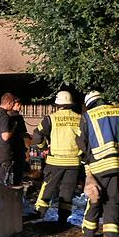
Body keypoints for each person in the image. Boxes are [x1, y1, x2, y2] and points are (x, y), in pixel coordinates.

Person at [77, 91, 119, 237]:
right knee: (113, 202)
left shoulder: (88, 116)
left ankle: (89, 235)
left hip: (99, 165)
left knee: (95, 198)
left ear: (89, 104)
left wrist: (87, 161)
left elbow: (81, 142)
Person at [31, 91, 82, 224]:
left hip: (55, 161)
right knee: (67, 191)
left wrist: (43, 148)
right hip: (74, 162)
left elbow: (37, 135)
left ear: (57, 104)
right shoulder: (80, 118)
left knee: (47, 187)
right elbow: (85, 139)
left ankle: (39, 213)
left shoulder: (51, 118)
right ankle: (63, 219)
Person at [8, 98, 29, 185]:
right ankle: (16, 184)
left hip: (8, 147)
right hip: (17, 146)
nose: (20, 108)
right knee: (19, 168)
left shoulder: (5, 115)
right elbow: (23, 133)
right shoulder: (18, 117)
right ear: (15, 104)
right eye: (19, 105)